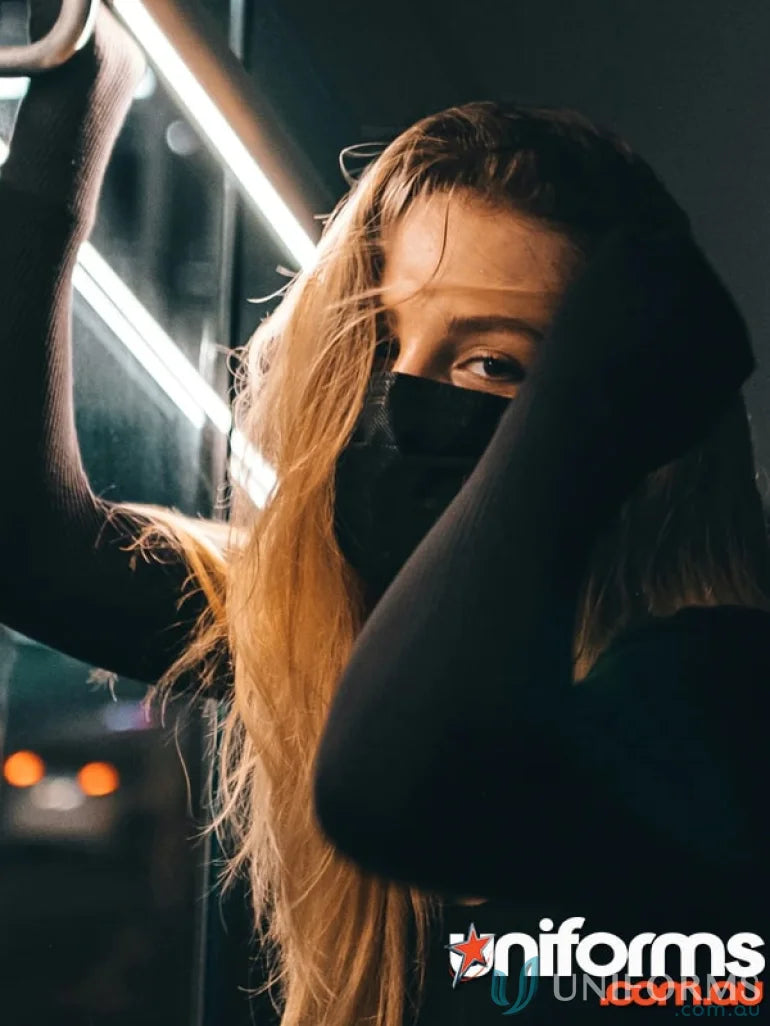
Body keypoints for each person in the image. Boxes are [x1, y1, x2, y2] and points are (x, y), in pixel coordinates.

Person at [1, 3, 768, 1025]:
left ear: (609, 406)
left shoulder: (713, 699)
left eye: (492, 363)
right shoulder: (327, 624)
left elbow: (405, 784)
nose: (402, 401)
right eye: (382, 339)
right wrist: (83, 75)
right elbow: (27, 544)